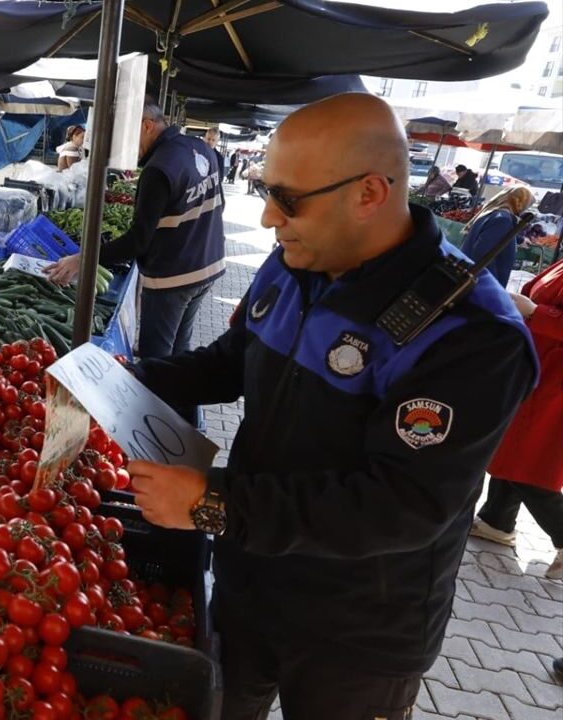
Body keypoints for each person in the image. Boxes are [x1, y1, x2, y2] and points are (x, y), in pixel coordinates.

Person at [126, 93, 537, 719]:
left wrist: (213, 501)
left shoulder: (471, 333)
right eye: (265, 192)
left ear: (368, 193)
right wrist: (129, 378)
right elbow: (232, 361)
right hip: (250, 585)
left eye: (287, 199)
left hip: (357, 635)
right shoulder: (295, 262)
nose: (268, 217)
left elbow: (400, 504)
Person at [45, 102, 226, 359]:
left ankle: (158, 385)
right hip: (209, 265)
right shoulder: (201, 148)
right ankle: (179, 385)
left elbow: (138, 241)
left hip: (173, 277)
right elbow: (219, 205)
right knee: (180, 352)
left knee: (156, 358)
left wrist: (83, 260)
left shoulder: (158, 169)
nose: (126, 145)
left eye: (127, 134)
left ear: (147, 126)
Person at [470, 257, 563, 580]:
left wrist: (536, 312)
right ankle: (497, 521)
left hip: (556, 381)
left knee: (530, 464)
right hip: (539, 368)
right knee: (512, 448)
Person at [459, 186, 535, 289]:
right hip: (479, 286)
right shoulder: (503, 220)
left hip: (468, 279)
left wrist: (520, 240)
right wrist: (493, 287)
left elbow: (496, 236)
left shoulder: (494, 213)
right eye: (527, 206)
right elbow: (482, 253)